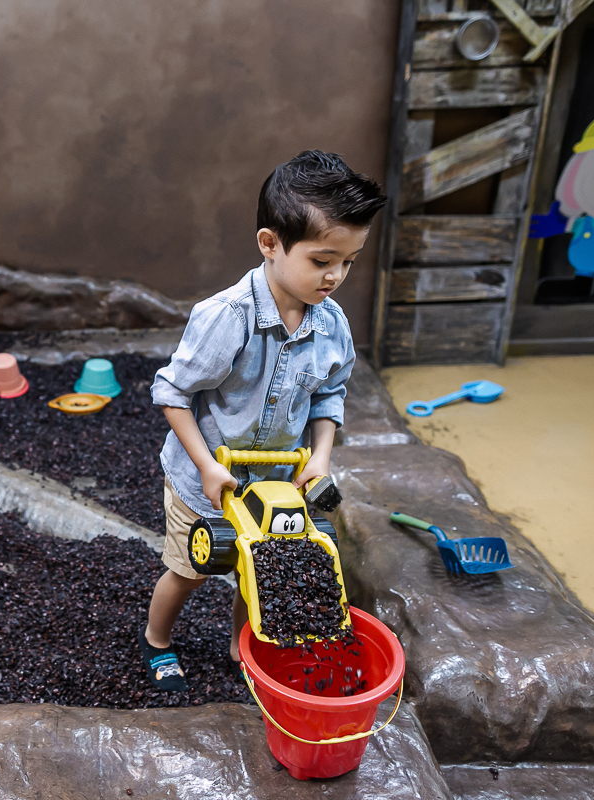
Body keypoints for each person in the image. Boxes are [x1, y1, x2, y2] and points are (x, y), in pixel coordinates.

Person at [140, 150, 387, 691]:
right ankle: (157, 641)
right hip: (205, 480)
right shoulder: (228, 318)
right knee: (189, 571)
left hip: (276, 484)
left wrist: (319, 455)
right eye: (322, 261)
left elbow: (330, 393)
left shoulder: (333, 325)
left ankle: (241, 647)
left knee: (260, 577)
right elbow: (172, 391)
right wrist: (206, 466)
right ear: (270, 244)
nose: (336, 276)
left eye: (349, 262)